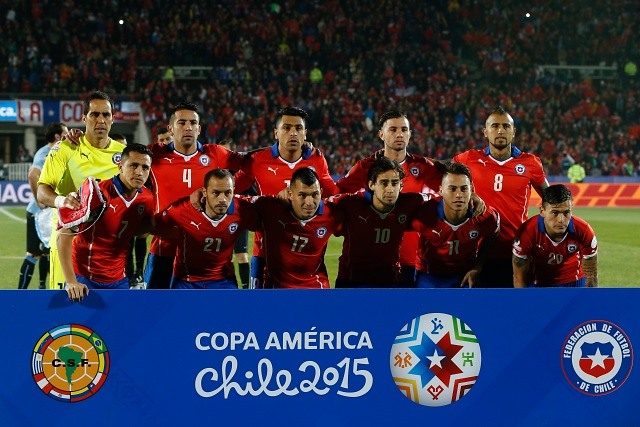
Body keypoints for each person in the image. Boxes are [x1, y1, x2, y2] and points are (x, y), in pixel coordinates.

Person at [233, 107, 339, 289]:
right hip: (265, 254)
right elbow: (230, 190)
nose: (293, 133)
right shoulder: (258, 161)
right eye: (287, 127)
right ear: (276, 132)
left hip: (306, 257)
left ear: (305, 134)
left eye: (298, 128)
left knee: (310, 314)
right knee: (260, 312)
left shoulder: (316, 160)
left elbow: (334, 196)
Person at [144, 102, 245, 289]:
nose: (188, 127)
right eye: (182, 122)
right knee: (157, 313)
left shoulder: (215, 154)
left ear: (199, 129)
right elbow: (122, 161)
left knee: (211, 314)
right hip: (164, 251)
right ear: (171, 129)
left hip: (204, 254)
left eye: (193, 123)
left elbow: (252, 163)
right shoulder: (154, 154)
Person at [336, 110, 443, 287]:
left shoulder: (424, 166)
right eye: (393, 129)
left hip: (410, 262)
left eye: (404, 129)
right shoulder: (365, 167)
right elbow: (336, 196)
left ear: (410, 133)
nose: (399, 134)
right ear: (381, 134)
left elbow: (450, 191)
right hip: (365, 266)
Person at [37, 90, 126, 290]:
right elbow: (42, 191)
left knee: (106, 316)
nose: (101, 120)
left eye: (106, 114)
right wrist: (62, 201)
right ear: (84, 117)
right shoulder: (66, 148)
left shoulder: (123, 155)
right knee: (66, 315)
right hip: (68, 244)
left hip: (107, 250)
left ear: (113, 118)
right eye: (95, 114)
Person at [453, 106, 548, 288]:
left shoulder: (530, 163)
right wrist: (468, 193)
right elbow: (442, 174)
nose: (500, 130)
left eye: (506, 126)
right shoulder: (469, 159)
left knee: (516, 309)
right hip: (478, 253)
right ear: (485, 132)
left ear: (514, 132)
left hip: (516, 252)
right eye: (495, 126)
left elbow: (550, 199)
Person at [59, 143, 154, 301]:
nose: (139, 172)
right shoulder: (97, 194)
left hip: (118, 279)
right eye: (133, 165)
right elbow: (63, 237)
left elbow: (141, 230)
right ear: (120, 167)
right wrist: (71, 282)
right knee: (81, 326)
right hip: (84, 278)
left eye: (145, 168)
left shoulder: (147, 198)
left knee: (119, 325)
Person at [333, 157, 428, 288]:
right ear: (371, 184)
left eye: (395, 183)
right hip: (351, 281)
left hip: (390, 281)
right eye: (384, 183)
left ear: (401, 185)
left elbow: (442, 201)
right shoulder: (349, 203)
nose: (390, 189)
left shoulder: (410, 203)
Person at [241, 167, 342, 289]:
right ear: (290, 194)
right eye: (302, 195)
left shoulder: (332, 213)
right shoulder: (270, 208)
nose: (309, 202)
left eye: (315, 195)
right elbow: (234, 203)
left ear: (321, 192)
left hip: (315, 287)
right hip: (276, 288)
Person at [154, 168, 256, 289]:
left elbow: (267, 209)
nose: (222, 199)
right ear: (204, 191)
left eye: (227, 193)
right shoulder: (184, 208)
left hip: (223, 280)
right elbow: (152, 226)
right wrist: (179, 234)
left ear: (234, 191)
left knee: (232, 308)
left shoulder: (242, 209)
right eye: (216, 193)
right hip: (186, 280)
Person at [411, 161, 500, 288]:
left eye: (464, 189)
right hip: (429, 276)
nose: (458, 195)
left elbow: (493, 233)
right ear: (440, 190)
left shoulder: (486, 217)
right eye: (452, 189)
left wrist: (477, 267)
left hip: (464, 275)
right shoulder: (423, 214)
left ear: (471, 191)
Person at [512, 184, 598, 287]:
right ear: (542, 211)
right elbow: (519, 277)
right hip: (539, 284)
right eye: (555, 213)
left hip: (574, 283)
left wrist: (590, 301)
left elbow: (591, 276)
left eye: (566, 212)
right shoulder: (527, 232)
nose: (561, 220)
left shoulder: (584, 231)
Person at [18, 122, 68, 289]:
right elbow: (33, 174)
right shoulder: (46, 153)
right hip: (39, 213)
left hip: (50, 212)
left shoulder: (58, 152)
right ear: (57, 136)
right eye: (65, 133)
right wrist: (40, 201)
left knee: (47, 253)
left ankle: (41, 288)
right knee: (33, 254)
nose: (67, 136)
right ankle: (20, 292)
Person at [110, 132, 148, 288]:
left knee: (136, 239)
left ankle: (136, 274)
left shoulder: (136, 168)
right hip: (114, 209)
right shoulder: (106, 177)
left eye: (124, 146)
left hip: (131, 208)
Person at [218, 138, 251, 289]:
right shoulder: (213, 175)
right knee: (223, 258)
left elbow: (253, 195)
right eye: (220, 151)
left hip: (238, 220)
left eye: (226, 152)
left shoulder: (241, 174)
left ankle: (246, 289)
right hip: (219, 221)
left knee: (242, 256)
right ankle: (229, 288)